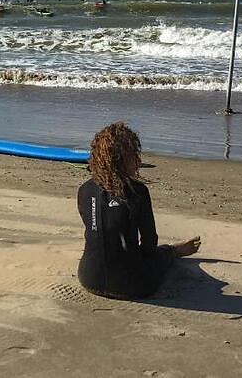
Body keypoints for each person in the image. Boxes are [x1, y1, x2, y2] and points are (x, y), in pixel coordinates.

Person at [77, 122, 201, 299]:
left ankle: (170, 252)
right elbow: (149, 244)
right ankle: (175, 251)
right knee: (159, 258)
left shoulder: (84, 189)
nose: (139, 161)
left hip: (89, 278)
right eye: (133, 155)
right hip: (132, 285)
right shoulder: (138, 192)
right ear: (120, 160)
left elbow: (95, 230)